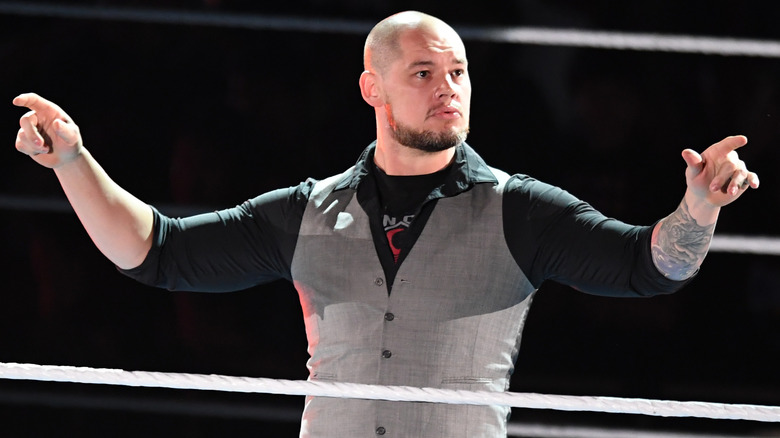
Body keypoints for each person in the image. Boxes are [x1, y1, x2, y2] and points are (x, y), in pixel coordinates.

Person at [13, 10, 758, 438]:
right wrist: (74, 162)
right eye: (425, 74)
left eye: (459, 72)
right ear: (374, 87)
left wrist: (697, 209)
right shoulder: (307, 211)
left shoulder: (520, 209)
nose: (448, 90)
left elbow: (647, 267)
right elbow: (158, 253)